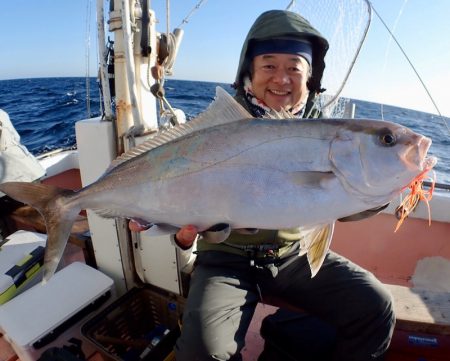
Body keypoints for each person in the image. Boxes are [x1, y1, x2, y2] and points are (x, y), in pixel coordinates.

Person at [130, 9, 395, 361]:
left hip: (292, 256)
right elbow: (182, 186)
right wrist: (175, 228)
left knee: (375, 306)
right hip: (225, 257)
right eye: (269, 66)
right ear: (248, 73)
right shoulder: (216, 131)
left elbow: (340, 205)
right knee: (202, 352)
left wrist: (385, 189)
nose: (281, 79)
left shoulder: (328, 132)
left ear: (311, 77)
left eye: (294, 68)